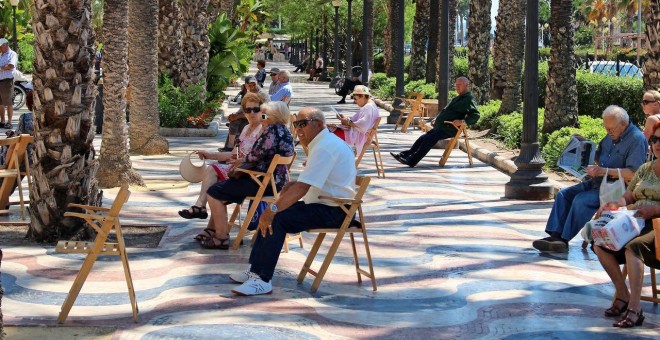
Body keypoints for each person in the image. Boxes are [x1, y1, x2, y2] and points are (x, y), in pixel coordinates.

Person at [229, 107, 357, 296]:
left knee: (276, 218)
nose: (298, 129)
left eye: (303, 124)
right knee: (275, 214)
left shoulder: (325, 147)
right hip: (325, 203)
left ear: (319, 124)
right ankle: (255, 270)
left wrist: (272, 209)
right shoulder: (323, 144)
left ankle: (262, 280)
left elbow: (302, 188)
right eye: (296, 124)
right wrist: (283, 197)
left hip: (336, 210)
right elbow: (307, 183)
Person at [532, 105, 647, 253]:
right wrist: (582, 144)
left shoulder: (636, 139)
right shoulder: (611, 136)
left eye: (611, 129)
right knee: (563, 194)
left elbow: (634, 173)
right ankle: (555, 235)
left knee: (581, 200)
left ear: (623, 124)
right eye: (606, 128)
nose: (608, 132)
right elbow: (599, 156)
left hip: (616, 188)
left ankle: (563, 240)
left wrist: (603, 171)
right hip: (597, 182)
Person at [591, 121, 660, 328]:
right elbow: (628, 196)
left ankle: (635, 308)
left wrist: (655, 210)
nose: (658, 144)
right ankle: (623, 294)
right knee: (600, 245)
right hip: (634, 222)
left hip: (657, 226)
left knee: (633, 248)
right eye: (655, 139)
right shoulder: (646, 168)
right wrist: (614, 205)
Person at [202, 101, 295, 249]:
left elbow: (254, 156)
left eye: (264, 115)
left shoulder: (271, 131)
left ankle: (221, 237)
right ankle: (214, 230)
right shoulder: (286, 131)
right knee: (224, 191)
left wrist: (239, 163)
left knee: (214, 192)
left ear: (273, 117)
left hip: (261, 182)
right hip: (277, 183)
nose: (262, 118)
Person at [179, 93, 264, 222]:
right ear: (244, 112)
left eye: (256, 109)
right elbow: (233, 154)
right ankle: (213, 230)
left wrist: (241, 160)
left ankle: (202, 209)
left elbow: (259, 156)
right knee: (214, 185)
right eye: (248, 110)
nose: (252, 113)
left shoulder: (263, 129)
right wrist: (210, 154)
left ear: (261, 110)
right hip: (237, 169)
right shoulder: (246, 128)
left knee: (213, 172)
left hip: (248, 173)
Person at [390, 77, 479, 167]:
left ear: (466, 85)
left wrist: (462, 121)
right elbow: (445, 110)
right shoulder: (458, 98)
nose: (457, 87)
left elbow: (476, 115)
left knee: (429, 139)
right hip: (441, 127)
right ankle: (405, 155)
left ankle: (412, 160)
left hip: (449, 128)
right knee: (422, 138)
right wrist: (437, 118)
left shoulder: (468, 99)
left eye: (459, 85)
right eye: (456, 85)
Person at [328, 85, 379, 156]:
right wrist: (345, 119)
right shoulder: (371, 106)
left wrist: (348, 122)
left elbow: (362, 125)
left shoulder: (368, 107)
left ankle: (332, 158)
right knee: (329, 129)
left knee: (327, 133)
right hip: (359, 134)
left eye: (355, 99)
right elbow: (358, 122)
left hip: (357, 136)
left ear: (363, 96)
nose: (355, 101)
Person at [224, 76, 270, 151]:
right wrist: (234, 115)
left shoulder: (262, 94)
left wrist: (238, 116)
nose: (252, 87)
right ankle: (230, 148)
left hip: (263, 117)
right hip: (252, 115)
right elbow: (243, 108)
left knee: (238, 123)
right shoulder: (248, 93)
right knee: (233, 121)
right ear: (246, 86)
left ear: (257, 83)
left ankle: (232, 148)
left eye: (254, 84)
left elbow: (260, 113)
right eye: (250, 85)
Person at [0, 38, 18, 129]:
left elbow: (11, 66)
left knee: (8, 102)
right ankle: (2, 121)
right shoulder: (0, 54)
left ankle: (9, 122)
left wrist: (1, 68)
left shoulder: (12, 54)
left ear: (5, 45)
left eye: (0, 47)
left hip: (7, 81)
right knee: (0, 103)